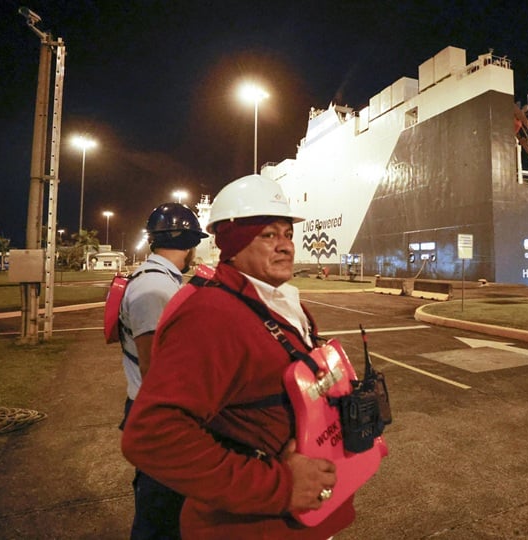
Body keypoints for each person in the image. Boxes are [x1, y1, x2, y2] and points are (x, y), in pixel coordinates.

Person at [121, 175, 355, 539]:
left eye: (287, 235)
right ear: (233, 242)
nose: (285, 247)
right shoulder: (212, 314)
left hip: (300, 516)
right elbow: (152, 435)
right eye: (268, 235)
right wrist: (280, 486)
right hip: (254, 525)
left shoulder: (272, 300)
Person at [119, 202, 209, 539]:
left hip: (159, 411)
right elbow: (155, 367)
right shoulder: (155, 288)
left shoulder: (157, 280)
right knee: (160, 515)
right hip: (162, 417)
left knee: (168, 508)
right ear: (190, 243)